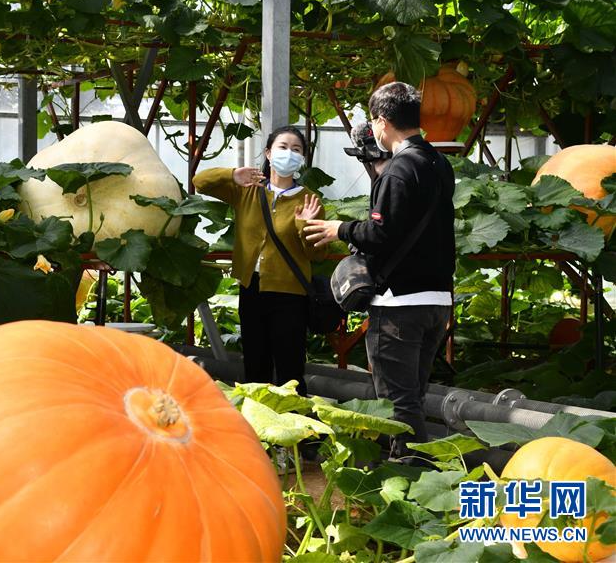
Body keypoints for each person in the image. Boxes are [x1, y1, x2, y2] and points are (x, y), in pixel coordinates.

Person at [303, 82, 455, 463]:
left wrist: (338, 229)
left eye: (373, 121)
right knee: (414, 394)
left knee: (398, 403)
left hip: (399, 304)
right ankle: (422, 479)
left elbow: (382, 233)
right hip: (438, 300)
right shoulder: (439, 164)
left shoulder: (399, 170)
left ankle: (412, 481)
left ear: (382, 122)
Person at [193, 126, 327, 396]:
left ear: (302, 159)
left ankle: (294, 432)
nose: (289, 153)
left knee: (290, 370)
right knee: (255, 364)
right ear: (268, 153)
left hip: (290, 294)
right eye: (282, 147)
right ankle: (257, 431)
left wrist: (304, 226)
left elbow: (317, 255)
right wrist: (232, 174)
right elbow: (200, 181)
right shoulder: (248, 190)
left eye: (296, 150)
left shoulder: (309, 199)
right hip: (251, 288)